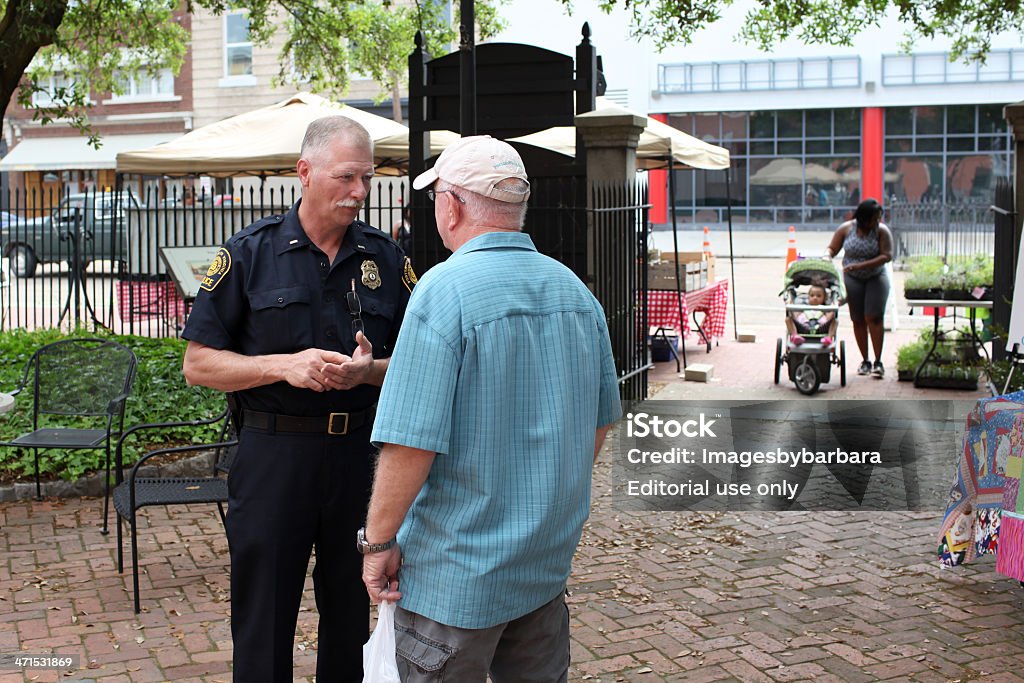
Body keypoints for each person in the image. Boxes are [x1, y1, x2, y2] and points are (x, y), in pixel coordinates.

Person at [359, 135, 622, 682]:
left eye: (436, 199)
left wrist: (378, 542)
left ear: (451, 205)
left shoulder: (443, 291)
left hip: (455, 576)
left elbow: (410, 442)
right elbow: (597, 424)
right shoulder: (575, 292)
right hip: (543, 565)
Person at [180, 115, 414, 682]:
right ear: (304, 173)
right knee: (263, 615)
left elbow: (418, 369)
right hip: (272, 457)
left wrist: (369, 371)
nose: (360, 192)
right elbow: (198, 364)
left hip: (359, 458)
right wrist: (281, 365)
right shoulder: (248, 255)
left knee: (348, 613)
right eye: (347, 177)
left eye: (368, 177)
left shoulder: (386, 260)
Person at [825, 197, 892, 378]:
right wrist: (827, 257)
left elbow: (887, 255)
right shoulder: (847, 228)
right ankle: (865, 360)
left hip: (875, 276)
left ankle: (878, 361)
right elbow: (832, 248)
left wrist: (862, 265)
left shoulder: (881, 231)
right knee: (858, 319)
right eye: (873, 218)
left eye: (878, 218)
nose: (876, 221)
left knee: (874, 317)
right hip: (852, 278)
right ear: (863, 217)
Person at [786, 281, 837, 347]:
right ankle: (795, 336)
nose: (815, 298)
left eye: (819, 296)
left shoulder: (825, 308)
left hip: (821, 327)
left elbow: (829, 316)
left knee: (835, 320)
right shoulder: (803, 307)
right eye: (812, 295)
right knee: (788, 319)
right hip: (803, 327)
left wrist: (834, 305)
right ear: (808, 297)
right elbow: (795, 315)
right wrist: (790, 304)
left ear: (824, 298)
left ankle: (828, 338)